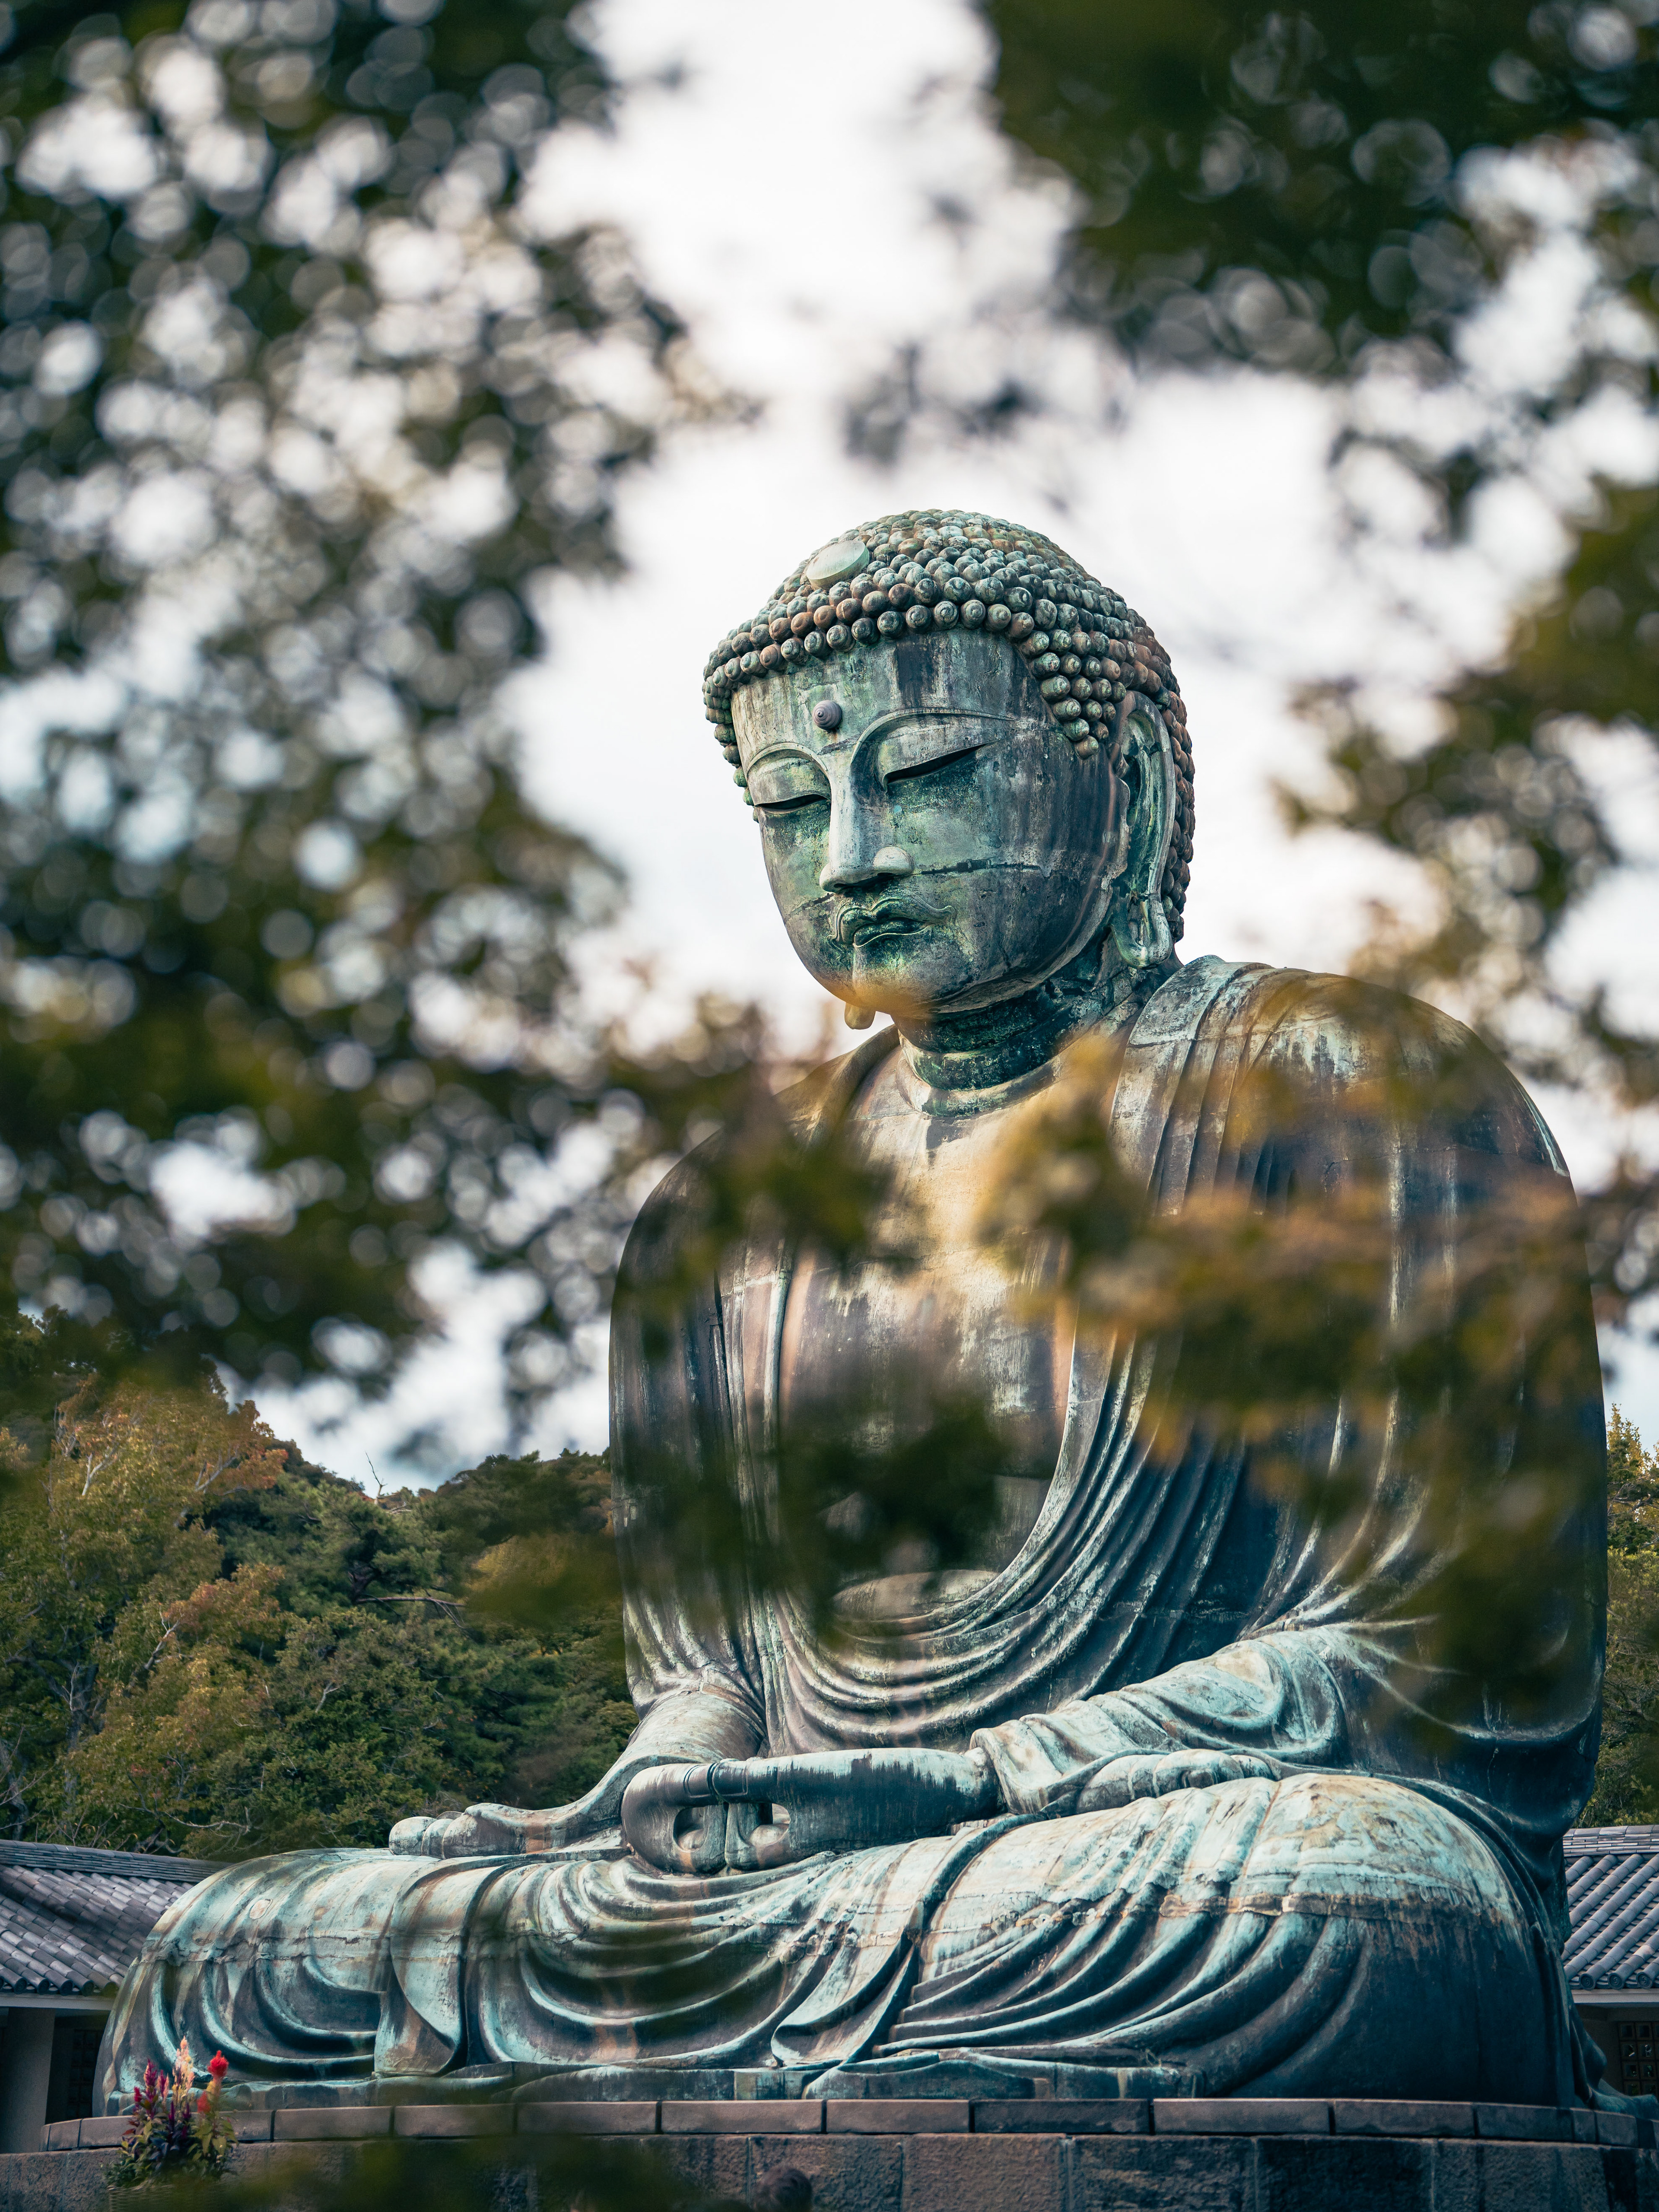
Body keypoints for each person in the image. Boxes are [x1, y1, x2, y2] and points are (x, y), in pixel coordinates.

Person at [100, 511, 1606, 2111]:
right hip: (797, 1891)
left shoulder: (1345, 1093)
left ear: (1136, 782)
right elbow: (714, 1675)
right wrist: (653, 1794)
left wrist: (981, 1776)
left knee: (1353, 1901)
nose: (855, 859)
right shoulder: (720, 1209)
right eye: (792, 806)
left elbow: (1446, 1665)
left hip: (1145, 1850)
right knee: (227, 1948)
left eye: (933, 773)